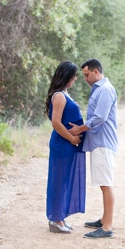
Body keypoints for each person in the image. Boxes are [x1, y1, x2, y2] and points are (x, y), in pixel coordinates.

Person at [68, 58, 118, 239]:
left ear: (96, 72)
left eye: (87, 75)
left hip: (103, 143)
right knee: (103, 183)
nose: (86, 79)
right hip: (98, 143)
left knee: (106, 184)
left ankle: (107, 227)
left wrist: (79, 129)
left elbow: (99, 118)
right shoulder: (100, 90)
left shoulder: (105, 90)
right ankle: (104, 219)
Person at [45, 61, 85, 234]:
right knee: (59, 181)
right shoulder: (59, 96)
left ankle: (60, 217)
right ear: (66, 76)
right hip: (62, 144)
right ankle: (55, 220)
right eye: (74, 75)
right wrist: (72, 138)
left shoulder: (65, 93)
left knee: (65, 181)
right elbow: (56, 122)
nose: (75, 79)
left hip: (67, 143)